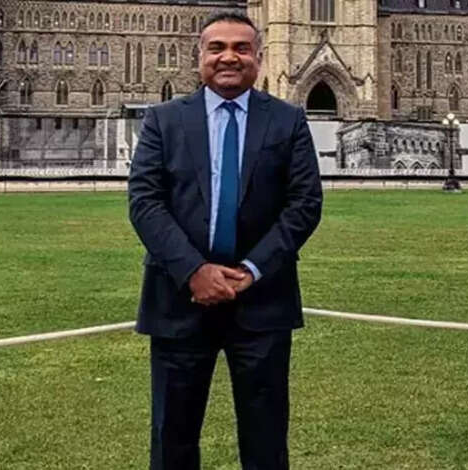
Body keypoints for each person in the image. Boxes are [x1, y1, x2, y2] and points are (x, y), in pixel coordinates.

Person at [128, 11, 322, 470]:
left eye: (241, 48)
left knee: (266, 441)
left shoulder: (288, 120)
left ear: (259, 57)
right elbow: (145, 202)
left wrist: (252, 270)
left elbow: (304, 204)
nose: (229, 57)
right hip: (179, 300)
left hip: (262, 301)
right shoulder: (163, 120)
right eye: (217, 48)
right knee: (172, 440)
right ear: (199, 56)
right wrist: (194, 271)